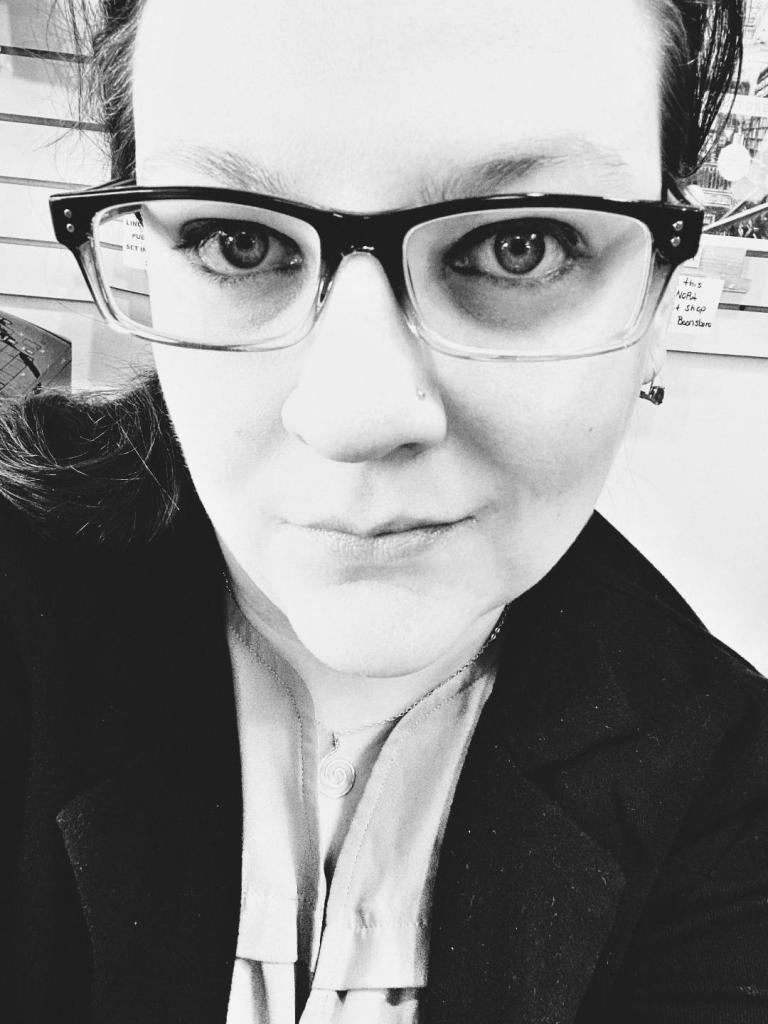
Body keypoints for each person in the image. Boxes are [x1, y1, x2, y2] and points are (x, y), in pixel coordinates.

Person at [2, 0, 767, 1021]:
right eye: (237, 242)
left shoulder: (730, 793)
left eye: (519, 244)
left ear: (662, 294)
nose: (355, 415)